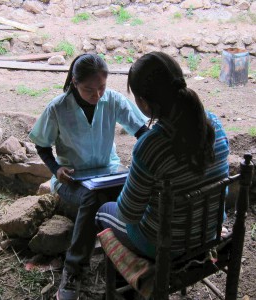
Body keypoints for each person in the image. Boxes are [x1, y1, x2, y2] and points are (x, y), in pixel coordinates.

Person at [28, 53, 148, 300]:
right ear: (74, 82)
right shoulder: (58, 108)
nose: (97, 95)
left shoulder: (113, 101)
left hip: (109, 171)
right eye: (88, 90)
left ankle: (130, 265)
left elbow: (142, 132)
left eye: (102, 87)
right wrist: (56, 169)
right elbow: (42, 144)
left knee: (136, 191)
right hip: (73, 179)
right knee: (93, 199)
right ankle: (73, 272)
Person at [95, 51, 229, 260]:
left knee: (104, 210)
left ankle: (130, 287)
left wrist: (126, 190)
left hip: (165, 247)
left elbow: (128, 215)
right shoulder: (215, 126)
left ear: (144, 103)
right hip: (207, 233)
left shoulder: (150, 146)